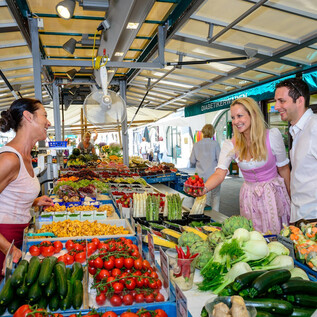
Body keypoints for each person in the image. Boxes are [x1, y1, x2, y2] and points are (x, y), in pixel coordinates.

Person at [202, 97, 291, 234]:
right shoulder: (231, 144)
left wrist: (292, 199)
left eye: (240, 116)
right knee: (252, 238)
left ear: (252, 114)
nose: (236, 121)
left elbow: (284, 169)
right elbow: (220, 173)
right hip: (248, 197)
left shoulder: (272, 136)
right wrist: (204, 188)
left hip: (272, 195)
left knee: (275, 236)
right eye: (233, 117)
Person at [0, 98, 54, 276]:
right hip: (4, 242)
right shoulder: (9, 159)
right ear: (28, 116)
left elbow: (8, 195)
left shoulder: (26, 157)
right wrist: (7, 247)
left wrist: (34, 201)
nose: (49, 122)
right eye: (44, 116)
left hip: (18, 237)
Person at [274, 78, 317, 225]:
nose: (276, 106)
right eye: (276, 101)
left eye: (281, 101)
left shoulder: (315, 127)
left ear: (299, 101)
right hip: (300, 217)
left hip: (312, 219)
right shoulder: (297, 130)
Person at [190, 124, 221, 212]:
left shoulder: (196, 145)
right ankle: (215, 215)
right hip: (214, 175)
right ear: (212, 133)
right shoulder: (215, 144)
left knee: (201, 195)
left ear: (203, 132)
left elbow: (192, 161)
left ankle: (201, 213)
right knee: (215, 195)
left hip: (200, 176)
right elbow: (220, 160)